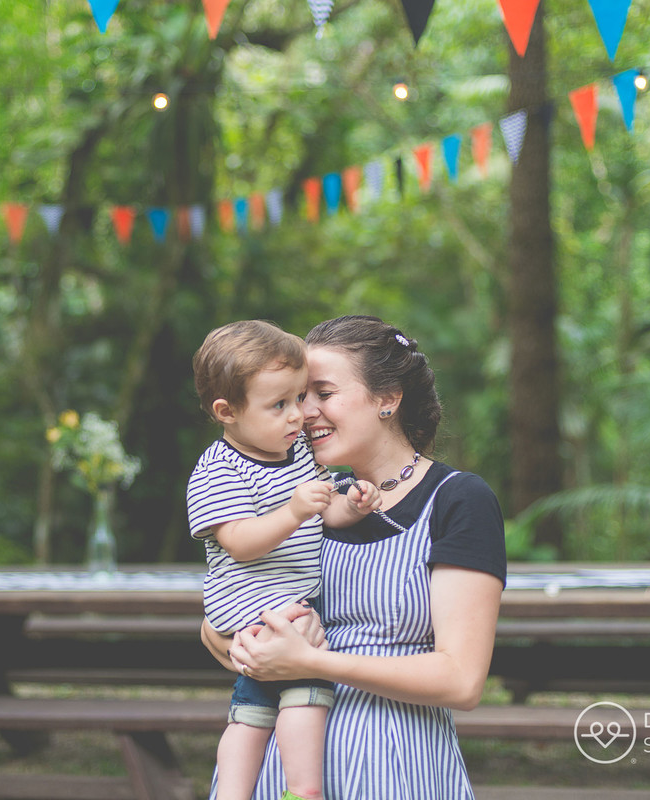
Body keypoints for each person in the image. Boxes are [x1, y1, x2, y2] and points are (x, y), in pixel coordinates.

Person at [201, 314, 507, 800]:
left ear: (387, 399)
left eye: (323, 394)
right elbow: (233, 602)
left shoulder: (456, 500)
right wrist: (233, 643)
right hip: (274, 771)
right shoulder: (310, 502)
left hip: (395, 766)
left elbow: (462, 680)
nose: (304, 413)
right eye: (299, 397)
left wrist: (313, 660)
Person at [188, 320, 382, 800]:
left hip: (286, 608)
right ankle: (278, 790)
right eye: (279, 405)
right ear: (226, 411)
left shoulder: (295, 453)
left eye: (299, 399)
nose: (298, 415)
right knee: (285, 701)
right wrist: (293, 508)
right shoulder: (218, 470)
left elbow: (321, 515)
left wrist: (350, 507)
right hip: (251, 609)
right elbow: (239, 542)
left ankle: (287, 790)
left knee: (273, 706)